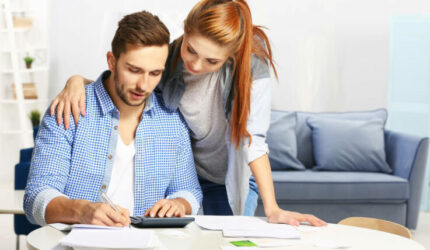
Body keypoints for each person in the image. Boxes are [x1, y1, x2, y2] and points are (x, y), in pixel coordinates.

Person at [50, 0, 326, 226]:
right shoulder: (168, 57)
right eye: (190, 49)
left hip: (228, 179)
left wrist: (273, 208)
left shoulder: (253, 69)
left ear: (231, 55)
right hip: (187, 177)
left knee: (229, 240)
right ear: (185, 30)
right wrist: (76, 81)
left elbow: (253, 140)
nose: (194, 64)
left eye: (212, 61)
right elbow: (126, 82)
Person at [24, 11, 202, 227]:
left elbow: (190, 191)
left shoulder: (172, 120)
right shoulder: (69, 108)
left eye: (155, 73)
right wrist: (82, 211)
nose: (143, 85)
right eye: (134, 70)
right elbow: (36, 197)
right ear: (112, 61)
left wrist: (180, 204)